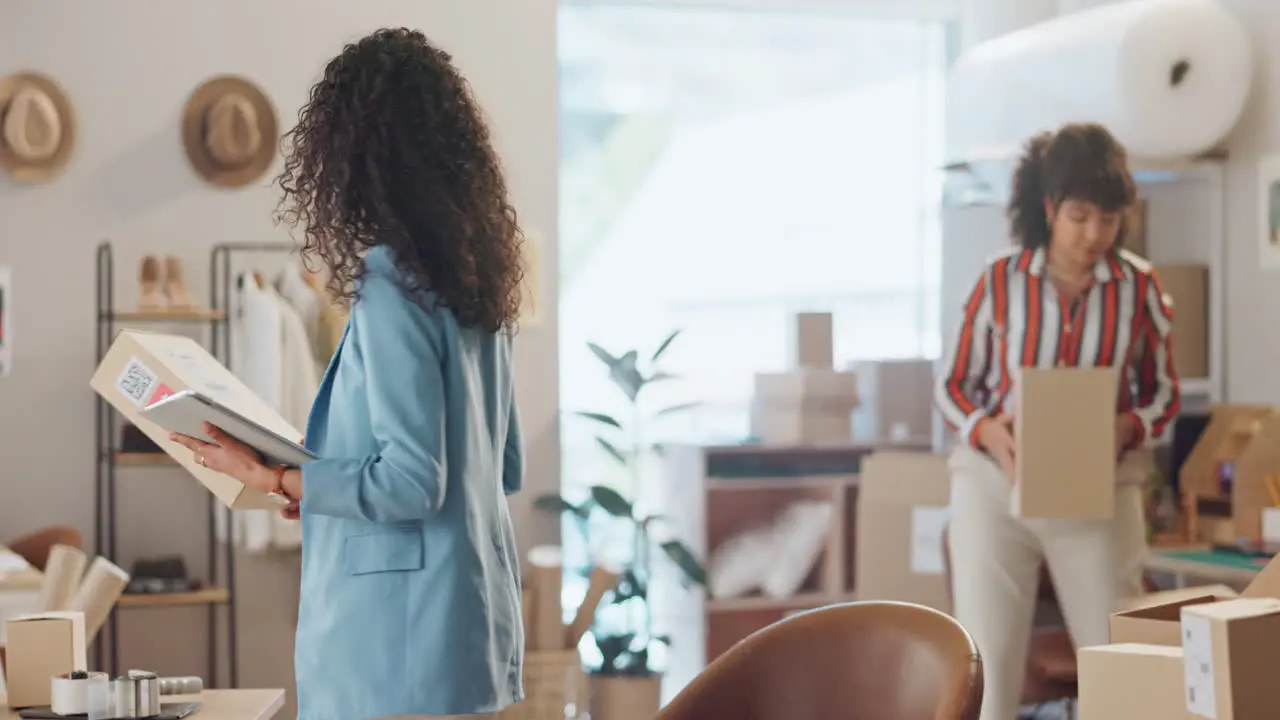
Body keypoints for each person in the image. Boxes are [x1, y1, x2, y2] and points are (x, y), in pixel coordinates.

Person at [170, 28, 526, 720]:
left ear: (350, 155)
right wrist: (318, 486)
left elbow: (412, 480)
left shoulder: (394, 280)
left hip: (391, 644)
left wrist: (274, 477)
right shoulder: (479, 282)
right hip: (467, 625)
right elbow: (499, 467)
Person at [935, 122, 1179, 720]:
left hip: (1095, 491)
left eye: (1109, 218)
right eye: (1079, 216)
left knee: (1116, 659)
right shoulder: (999, 281)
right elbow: (952, 387)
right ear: (1049, 210)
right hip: (996, 486)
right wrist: (991, 433)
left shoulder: (1138, 287)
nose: (1094, 233)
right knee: (984, 664)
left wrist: (1125, 428)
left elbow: (1164, 393)